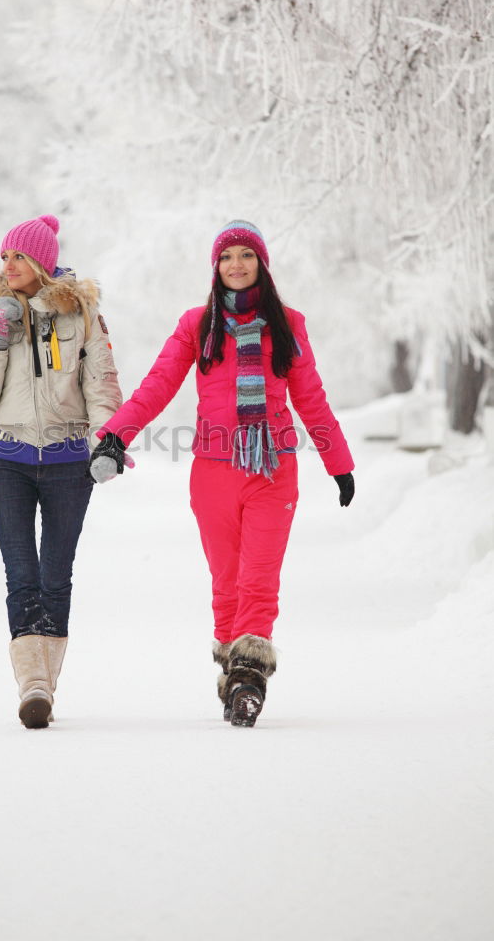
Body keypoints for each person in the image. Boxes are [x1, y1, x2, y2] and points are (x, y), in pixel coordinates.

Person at [88, 220, 354, 727]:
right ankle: (233, 675)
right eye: (227, 256)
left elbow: (311, 399)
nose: (236, 264)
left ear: (261, 264)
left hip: (273, 469)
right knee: (226, 581)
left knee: (259, 578)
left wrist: (338, 464)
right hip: (212, 473)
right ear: (216, 267)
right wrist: (117, 435)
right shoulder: (197, 324)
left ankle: (249, 679)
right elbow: (159, 384)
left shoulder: (288, 325)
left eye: (246, 256)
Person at [0, 214, 122, 729]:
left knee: (56, 575)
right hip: (6, 460)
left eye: (19, 257)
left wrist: (108, 443)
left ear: (43, 263)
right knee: (21, 575)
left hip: (69, 461)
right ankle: (32, 685)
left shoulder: (83, 314)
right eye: (4, 256)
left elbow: (101, 384)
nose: (8, 266)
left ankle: (44, 685)